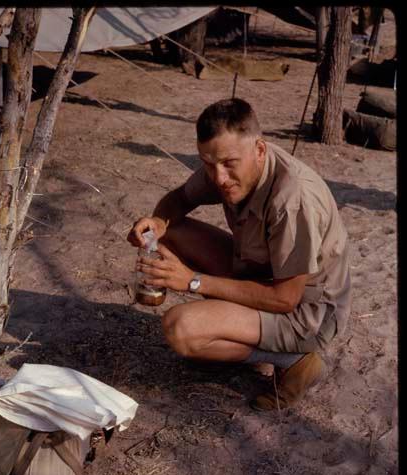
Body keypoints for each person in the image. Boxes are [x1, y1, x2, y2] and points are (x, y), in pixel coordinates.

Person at [127, 98, 351, 410]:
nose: (218, 178)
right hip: (263, 275)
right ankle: (244, 339)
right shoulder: (227, 165)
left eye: (228, 164)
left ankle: (295, 359)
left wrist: (192, 281)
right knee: (171, 230)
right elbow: (179, 199)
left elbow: (285, 298)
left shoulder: (292, 199)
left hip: (308, 313)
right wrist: (156, 223)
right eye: (208, 164)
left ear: (260, 150)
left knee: (182, 331)